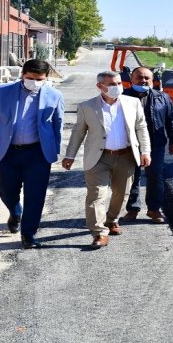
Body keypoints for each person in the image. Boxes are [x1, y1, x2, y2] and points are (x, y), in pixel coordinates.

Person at [0, 59, 64, 249]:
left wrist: (55, 150)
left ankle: (28, 234)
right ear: (22, 74)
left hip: (38, 153)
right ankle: (15, 211)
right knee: (6, 190)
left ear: (46, 77)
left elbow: (58, 125)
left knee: (36, 194)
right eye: (30, 78)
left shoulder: (54, 95)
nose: (34, 82)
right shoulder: (2, 92)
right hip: (8, 151)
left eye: (39, 79)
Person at [62, 71, 151, 249]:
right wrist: (70, 155)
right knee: (96, 196)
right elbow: (78, 131)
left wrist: (145, 151)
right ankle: (99, 233)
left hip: (126, 156)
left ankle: (111, 220)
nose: (117, 87)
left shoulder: (132, 103)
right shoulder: (87, 106)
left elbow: (141, 127)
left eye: (119, 83)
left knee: (122, 193)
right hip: (98, 158)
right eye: (112, 85)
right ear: (100, 86)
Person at [122, 66, 173, 223]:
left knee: (156, 176)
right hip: (129, 145)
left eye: (147, 78)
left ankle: (154, 210)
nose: (143, 80)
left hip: (156, 144)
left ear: (152, 80)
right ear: (131, 79)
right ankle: (132, 209)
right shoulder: (122, 97)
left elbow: (171, 120)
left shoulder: (163, 97)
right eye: (139, 77)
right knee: (132, 177)